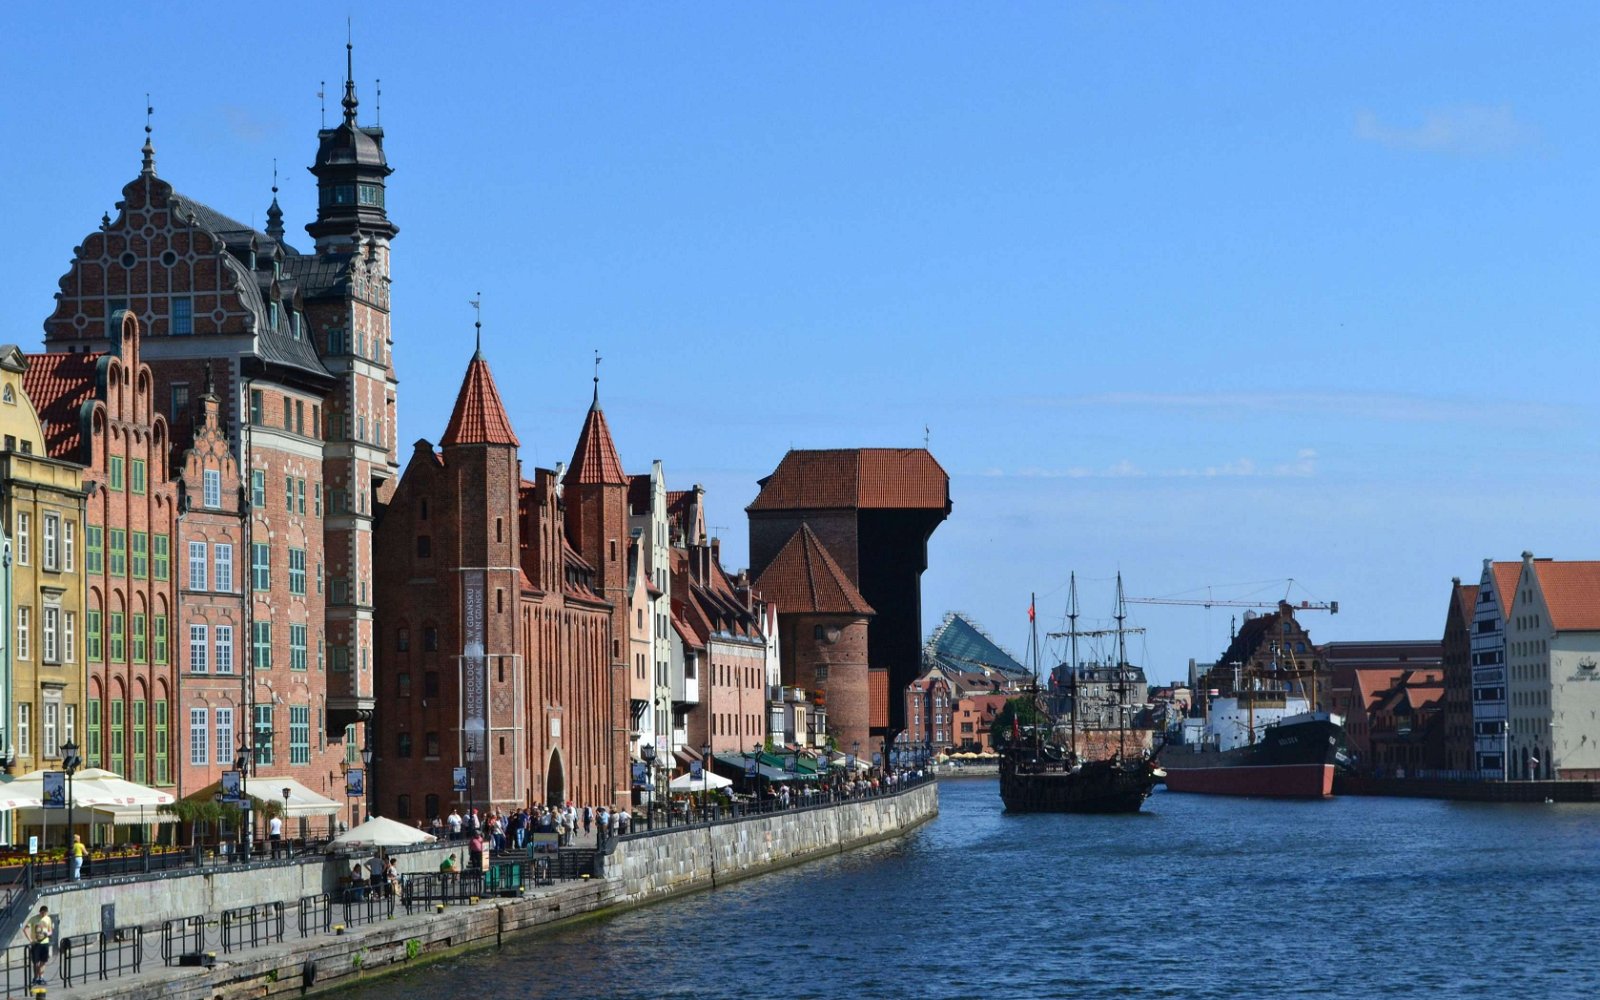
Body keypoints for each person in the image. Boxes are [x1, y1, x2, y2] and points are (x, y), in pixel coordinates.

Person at [25, 905, 52, 985]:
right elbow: (25, 929)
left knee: (43, 961)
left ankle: (41, 978)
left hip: (45, 942)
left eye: (45, 913)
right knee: (36, 962)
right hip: (36, 943)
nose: (44, 915)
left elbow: (50, 931)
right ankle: (35, 978)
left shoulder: (48, 919)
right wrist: (30, 940)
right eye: (42, 913)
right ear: (40, 912)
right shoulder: (34, 919)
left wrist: (47, 933)